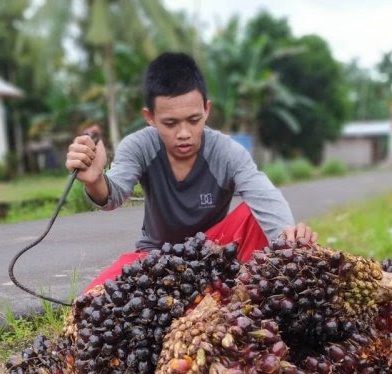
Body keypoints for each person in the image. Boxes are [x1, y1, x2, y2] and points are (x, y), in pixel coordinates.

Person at [65, 52, 317, 292]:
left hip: (214, 254)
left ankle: (235, 293)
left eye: (194, 120)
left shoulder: (227, 151)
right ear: (150, 117)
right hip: (156, 260)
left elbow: (264, 195)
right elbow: (114, 194)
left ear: (206, 109)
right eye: (170, 123)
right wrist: (95, 180)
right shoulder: (138, 145)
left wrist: (289, 241)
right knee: (91, 301)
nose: (184, 133)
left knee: (256, 216)